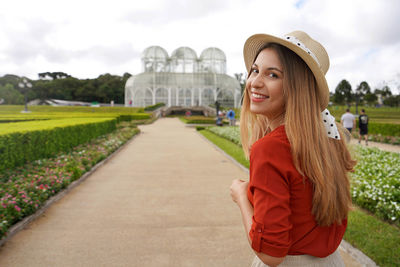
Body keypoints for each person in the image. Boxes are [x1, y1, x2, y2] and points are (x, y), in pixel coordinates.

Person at [230, 31, 356, 267]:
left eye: (273, 75)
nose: (255, 82)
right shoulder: (330, 138)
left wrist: (241, 198)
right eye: (255, 70)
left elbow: (271, 254)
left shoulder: (271, 149)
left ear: (296, 88)